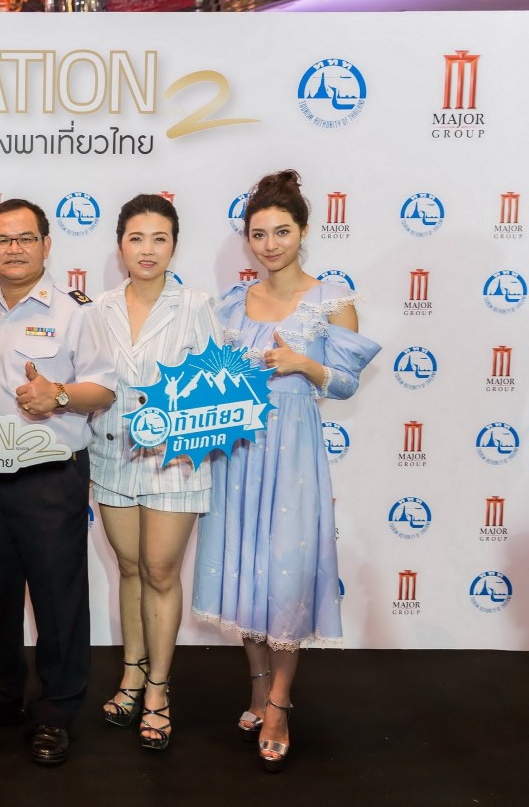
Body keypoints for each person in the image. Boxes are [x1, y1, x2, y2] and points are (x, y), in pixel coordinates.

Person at [191, 170, 380, 772]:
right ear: (246, 239)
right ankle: (256, 687)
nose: (269, 244)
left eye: (281, 231)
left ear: (303, 231)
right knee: (247, 571)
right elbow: (211, 383)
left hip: (294, 454)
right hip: (237, 455)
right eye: (258, 234)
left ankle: (278, 703)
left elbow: (345, 384)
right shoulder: (230, 304)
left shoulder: (333, 301)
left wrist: (305, 364)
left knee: (287, 576)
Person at [0, 198, 116, 766]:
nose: (14, 249)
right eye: (2, 239)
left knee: (57, 599)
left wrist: (59, 396)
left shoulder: (76, 312)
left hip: (50, 475)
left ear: (47, 244)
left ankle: (56, 711)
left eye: (26, 238)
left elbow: (104, 388)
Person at [89, 194, 220, 750]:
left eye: (159, 238)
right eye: (136, 238)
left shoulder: (196, 305)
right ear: (120, 244)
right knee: (129, 568)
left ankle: (159, 689)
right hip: (112, 455)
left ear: (174, 246)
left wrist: (181, 428)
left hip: (178, 461)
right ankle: (131, 673)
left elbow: (221, 385)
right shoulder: (97, 308)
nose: (147, 249)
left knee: (161, 571)